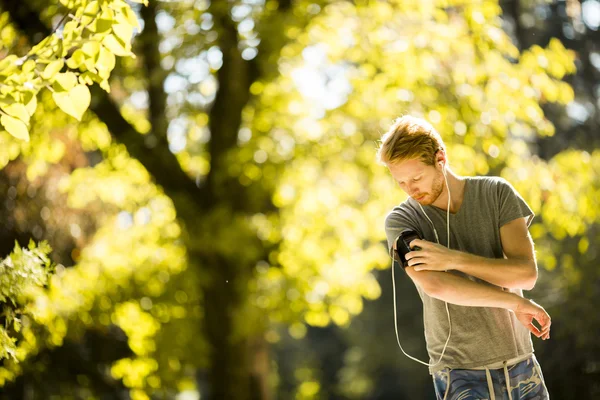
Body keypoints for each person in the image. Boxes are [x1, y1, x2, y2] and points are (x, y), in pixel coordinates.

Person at [377, 115, 551, 400]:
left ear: (440, 159)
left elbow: (526, 274)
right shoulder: (401, 220)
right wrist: (515, 302)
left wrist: (453, 259)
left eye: (417, 177)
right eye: (401, 182)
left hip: (521, 363)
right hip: (458, 372)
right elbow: (436, 285)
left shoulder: (497, 193)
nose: (410, 189)